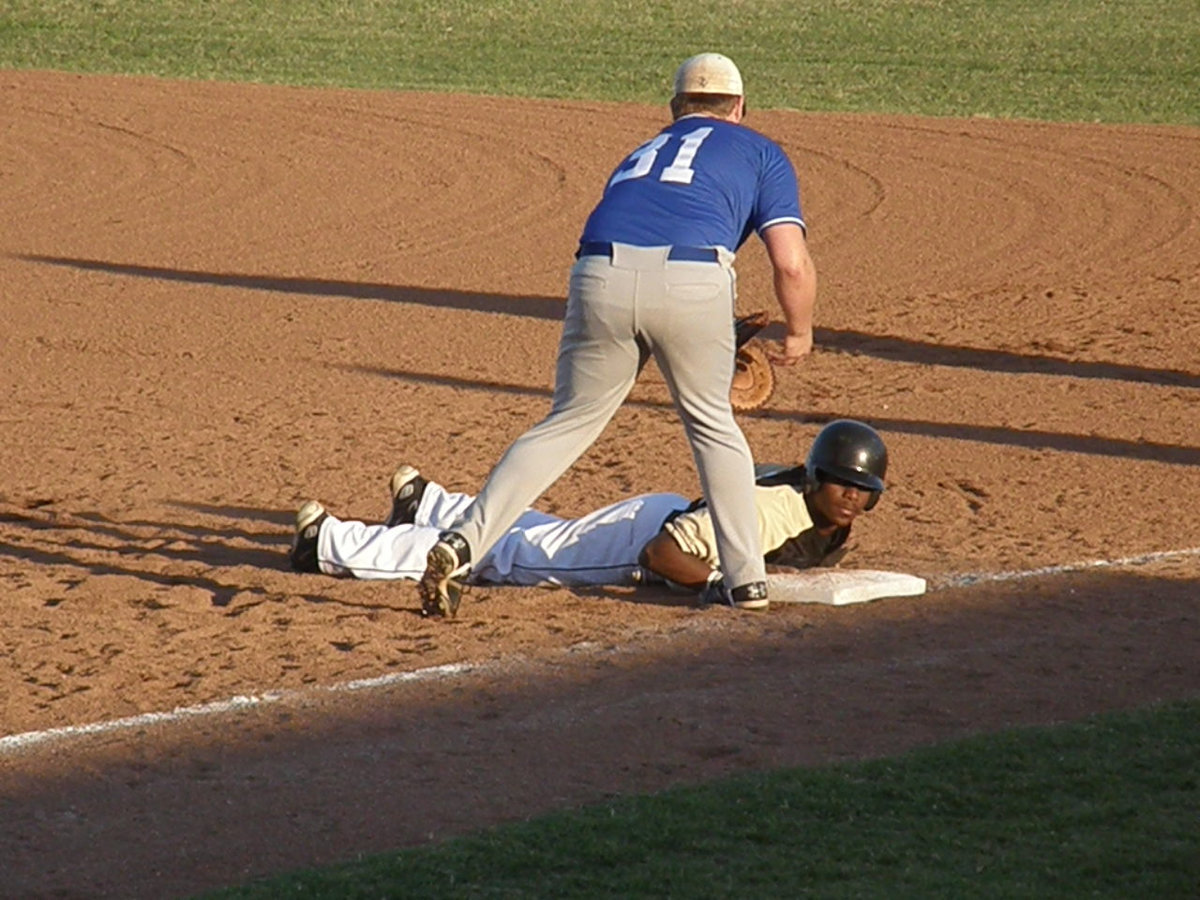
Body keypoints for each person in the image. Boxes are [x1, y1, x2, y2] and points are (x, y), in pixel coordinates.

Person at [418, 52, 818, 618]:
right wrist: (799, 331)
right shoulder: (759, 151)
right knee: (711, 425)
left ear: (676, 107)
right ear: (740, 106)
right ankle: (747, 582)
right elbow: (792, 264)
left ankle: (463, 543)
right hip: (693, 278)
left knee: (567, 423)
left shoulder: (640, 155)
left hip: (597, 274)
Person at [289, 421, 885, 611]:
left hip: (660, 515)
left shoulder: (822, 516)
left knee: (544, 535)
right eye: (841, 483)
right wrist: (712, 585)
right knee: (503, 557)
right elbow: (661, 555)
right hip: (649, 538)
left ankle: (427, 505)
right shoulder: (773, 513)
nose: (851, 496)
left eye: (861, 488)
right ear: (814, 479)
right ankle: (328, 544)